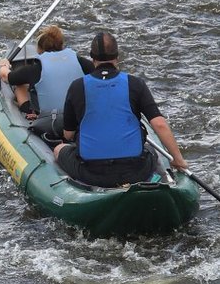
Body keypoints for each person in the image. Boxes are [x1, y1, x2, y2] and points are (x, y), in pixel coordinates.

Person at [54, 30, 187, 188]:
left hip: (92, 174)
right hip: (136, 172)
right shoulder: (136, 84)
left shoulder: (77, 86)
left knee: (59, 149)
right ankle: (161, 182)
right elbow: (159, 124)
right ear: (117, 56)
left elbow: (68, 134)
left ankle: (76, 188)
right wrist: (177, 159)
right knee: (151, 149)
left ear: (92, 57)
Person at [0, 26, 91, 138]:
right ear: (61, 45)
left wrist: (4, 65)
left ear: (39, 48)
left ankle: (30, 113)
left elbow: (6, 76)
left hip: (52, 123)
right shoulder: (80, 61)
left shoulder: (37, 68)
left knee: (20, 87)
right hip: (79, 120)